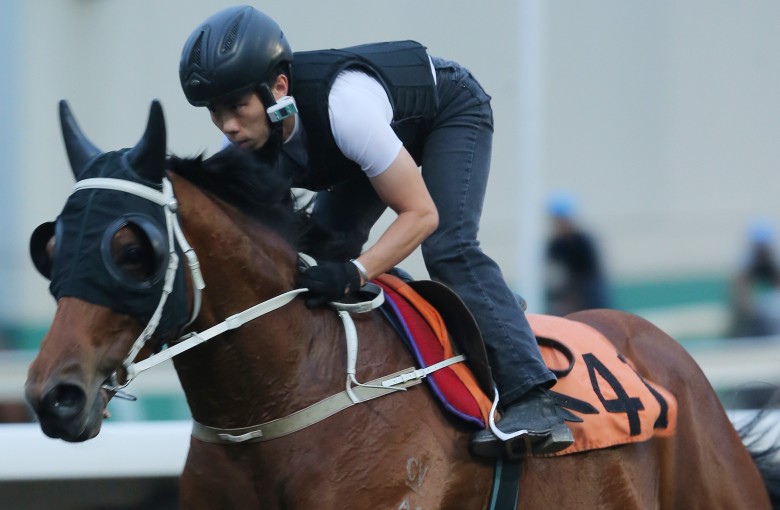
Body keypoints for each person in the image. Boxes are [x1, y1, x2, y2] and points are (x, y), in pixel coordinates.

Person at [178, 5, 573, 457]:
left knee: (448, 248)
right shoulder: (249, 140)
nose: (228, 126)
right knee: (322, 249)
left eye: (237, 106)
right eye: (215, 111)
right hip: (375, 140)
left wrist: (356, 274)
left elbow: (421, 215)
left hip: (447, 110)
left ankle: (533, 398)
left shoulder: (344, 109)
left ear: (278, 88)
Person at [544, 192, 610, 316]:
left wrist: (573, 299)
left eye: (561, 220)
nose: (558, 225)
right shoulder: (555, 245)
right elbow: (554, 277)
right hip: (567, 300)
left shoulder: (583, 242)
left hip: (589, 301)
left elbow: (590, 279)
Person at [728, 218, 780, 338]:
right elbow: (740, 297)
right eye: (758, 247)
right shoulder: (744, 264)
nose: (761, 251)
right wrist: (751, 311)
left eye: (764, 247)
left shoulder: (774, 261)